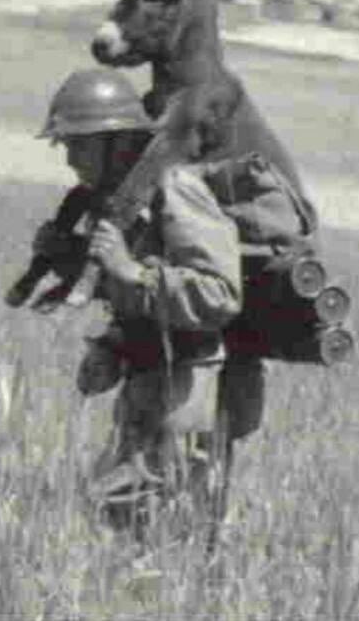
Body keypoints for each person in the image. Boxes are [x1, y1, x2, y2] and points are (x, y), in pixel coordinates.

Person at [28, 68, 257, 541]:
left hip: (189, 389)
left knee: (157, 525)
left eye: (78, 145)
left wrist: (131, 271)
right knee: (124, 524)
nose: (69, 159)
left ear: (115, 142)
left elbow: (221, 293)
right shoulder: (123, 202)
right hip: (147, 384)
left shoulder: (176, 190)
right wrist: (111, 345)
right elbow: (137, 305)